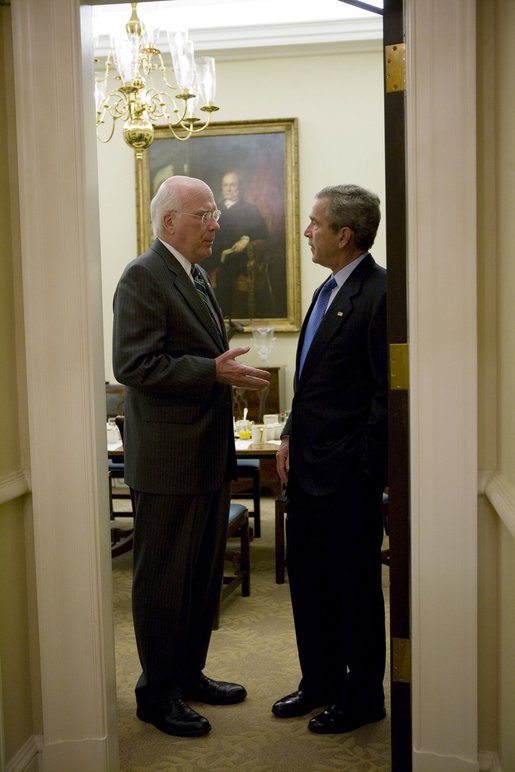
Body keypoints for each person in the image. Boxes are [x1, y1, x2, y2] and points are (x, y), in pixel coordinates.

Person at [112, 175, 270, 738]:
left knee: (201, 577)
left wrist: (226, 373)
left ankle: (189, 674)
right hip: (168, 461)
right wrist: (213, 371)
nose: (216, 222)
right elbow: (133, 365)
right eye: (203, 214)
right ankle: (156, 694)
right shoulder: (142, 276)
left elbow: (199, 356)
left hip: (205, 454)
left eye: (213, 213)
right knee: (163, 580)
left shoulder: (196, 274)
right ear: (168, 222)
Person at [271, 184, 388, 734]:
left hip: (346, 478)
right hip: (307, 471)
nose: (306, 231)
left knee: (353, 590)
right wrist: (292, 431)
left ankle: (362, 696)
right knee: (309, 584)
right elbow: (313, 384)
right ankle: (317, 680)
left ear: (345, 235)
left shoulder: (380, 293)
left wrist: (361, 465)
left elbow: (385, 396)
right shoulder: (325, 291)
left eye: (314, 223)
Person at [203, 171, 269, 318]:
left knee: (222, 273)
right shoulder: (214, 209)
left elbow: (264, 232)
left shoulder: (250, 209)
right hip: (213, 253)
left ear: (240, 187)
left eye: (233, 184)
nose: (229, 188)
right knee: (195, 270)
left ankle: (223, 316)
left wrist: (246, 238)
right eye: (225, 185)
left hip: (237, 256)